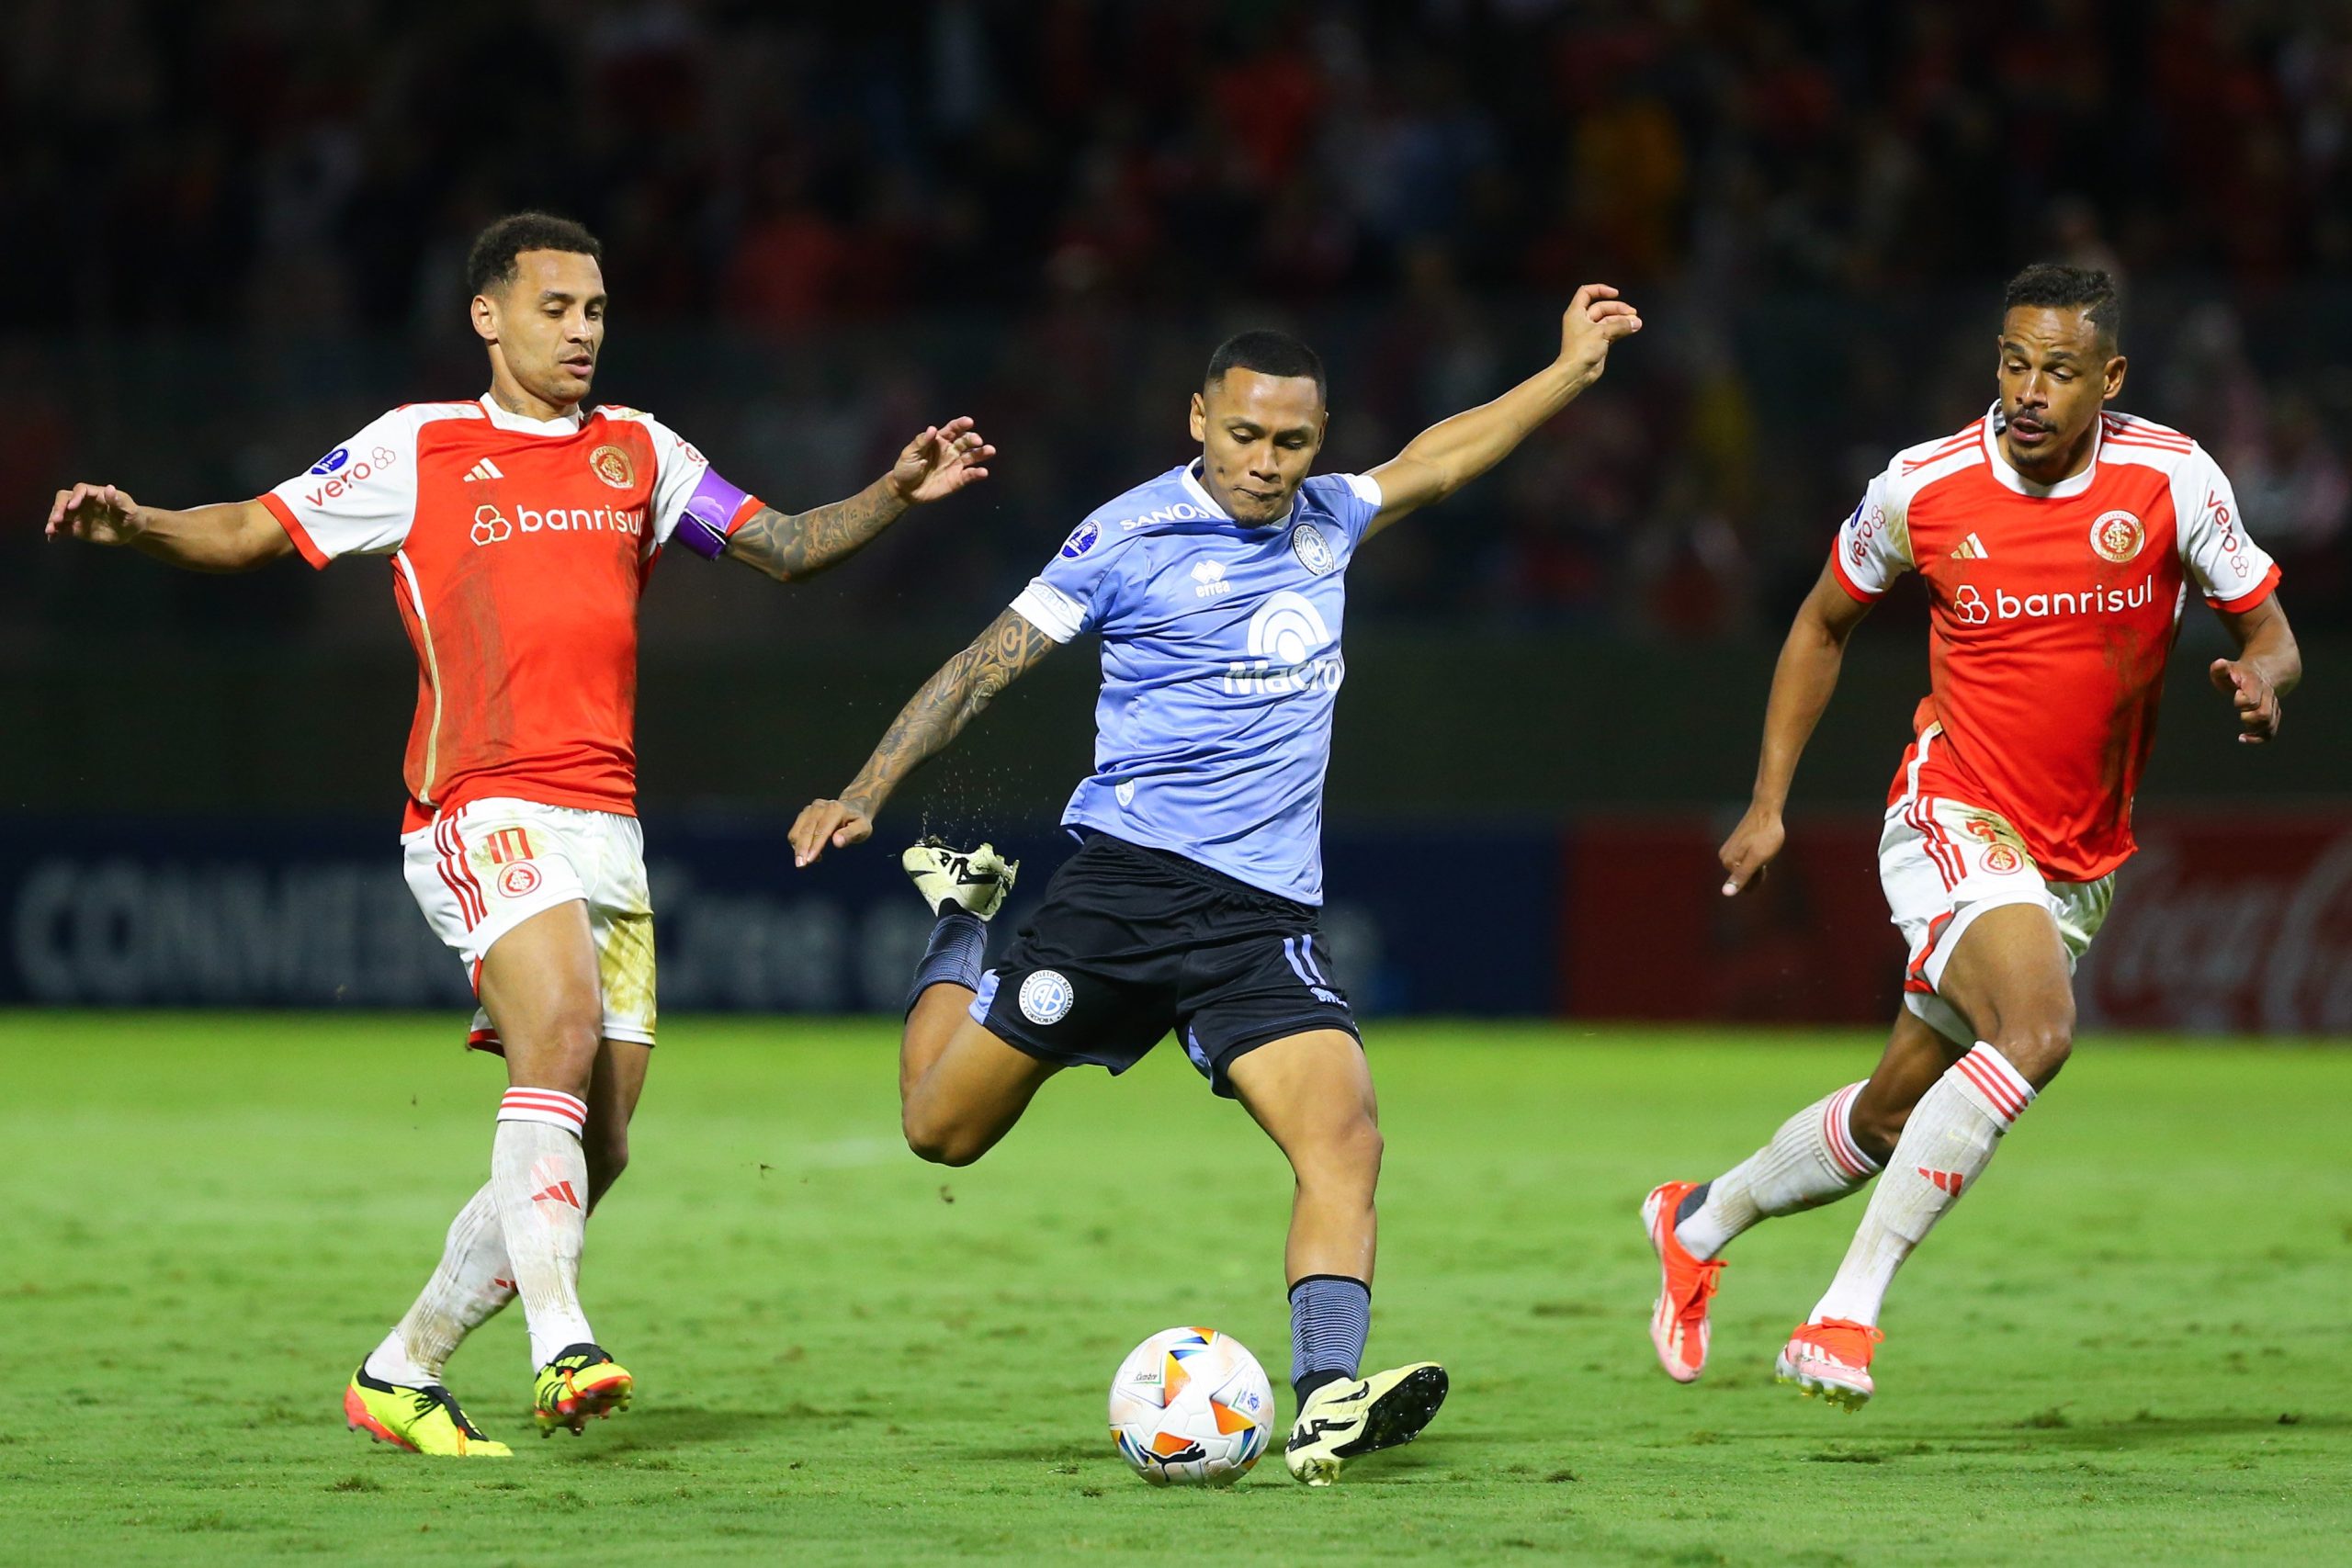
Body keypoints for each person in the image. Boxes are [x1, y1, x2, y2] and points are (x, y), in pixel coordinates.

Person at [45, 212, 994, 1456]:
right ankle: (564, 1338)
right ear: (488, 316)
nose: (584, 329)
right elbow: (251, 528)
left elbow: (788, 547)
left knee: (599, 1139)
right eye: (556, 308)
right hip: (476, 804)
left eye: (596, 309)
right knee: (553, 1028)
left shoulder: (639, 453)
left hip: (607, 829)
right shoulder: (420, 447)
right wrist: (141, 524)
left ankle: (404, 1366)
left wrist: (895, 490)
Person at [789, 288, 1644, 1483]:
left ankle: (1330, 1395)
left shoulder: (1330, 519)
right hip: (1123, 895)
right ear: (1199, 418)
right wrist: (868, 783)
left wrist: (1566, 370)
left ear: (1320, 436)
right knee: (941, 1129)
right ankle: (962, 917)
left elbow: (1444, 457)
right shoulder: (1122, 537)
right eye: (1244, 435)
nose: (1265, 462)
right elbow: (979, 667)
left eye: (1292, 442)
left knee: (1345, 1135)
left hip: (1260, 920)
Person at [1642, 264, 2301, 1409]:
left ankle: (1699, 1219)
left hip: (2078, 857)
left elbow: (2274, 634)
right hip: (1951, 812)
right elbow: (1820, 623)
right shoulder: (1922, 488)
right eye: (2011, 363)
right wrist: (1767, 801)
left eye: (2056, 370)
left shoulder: (2172, 478)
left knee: (1894, 1106)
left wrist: (2261, 678)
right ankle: (1844, 1316)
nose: (2028, 391)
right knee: (2038, 1028)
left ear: (2110, 378)